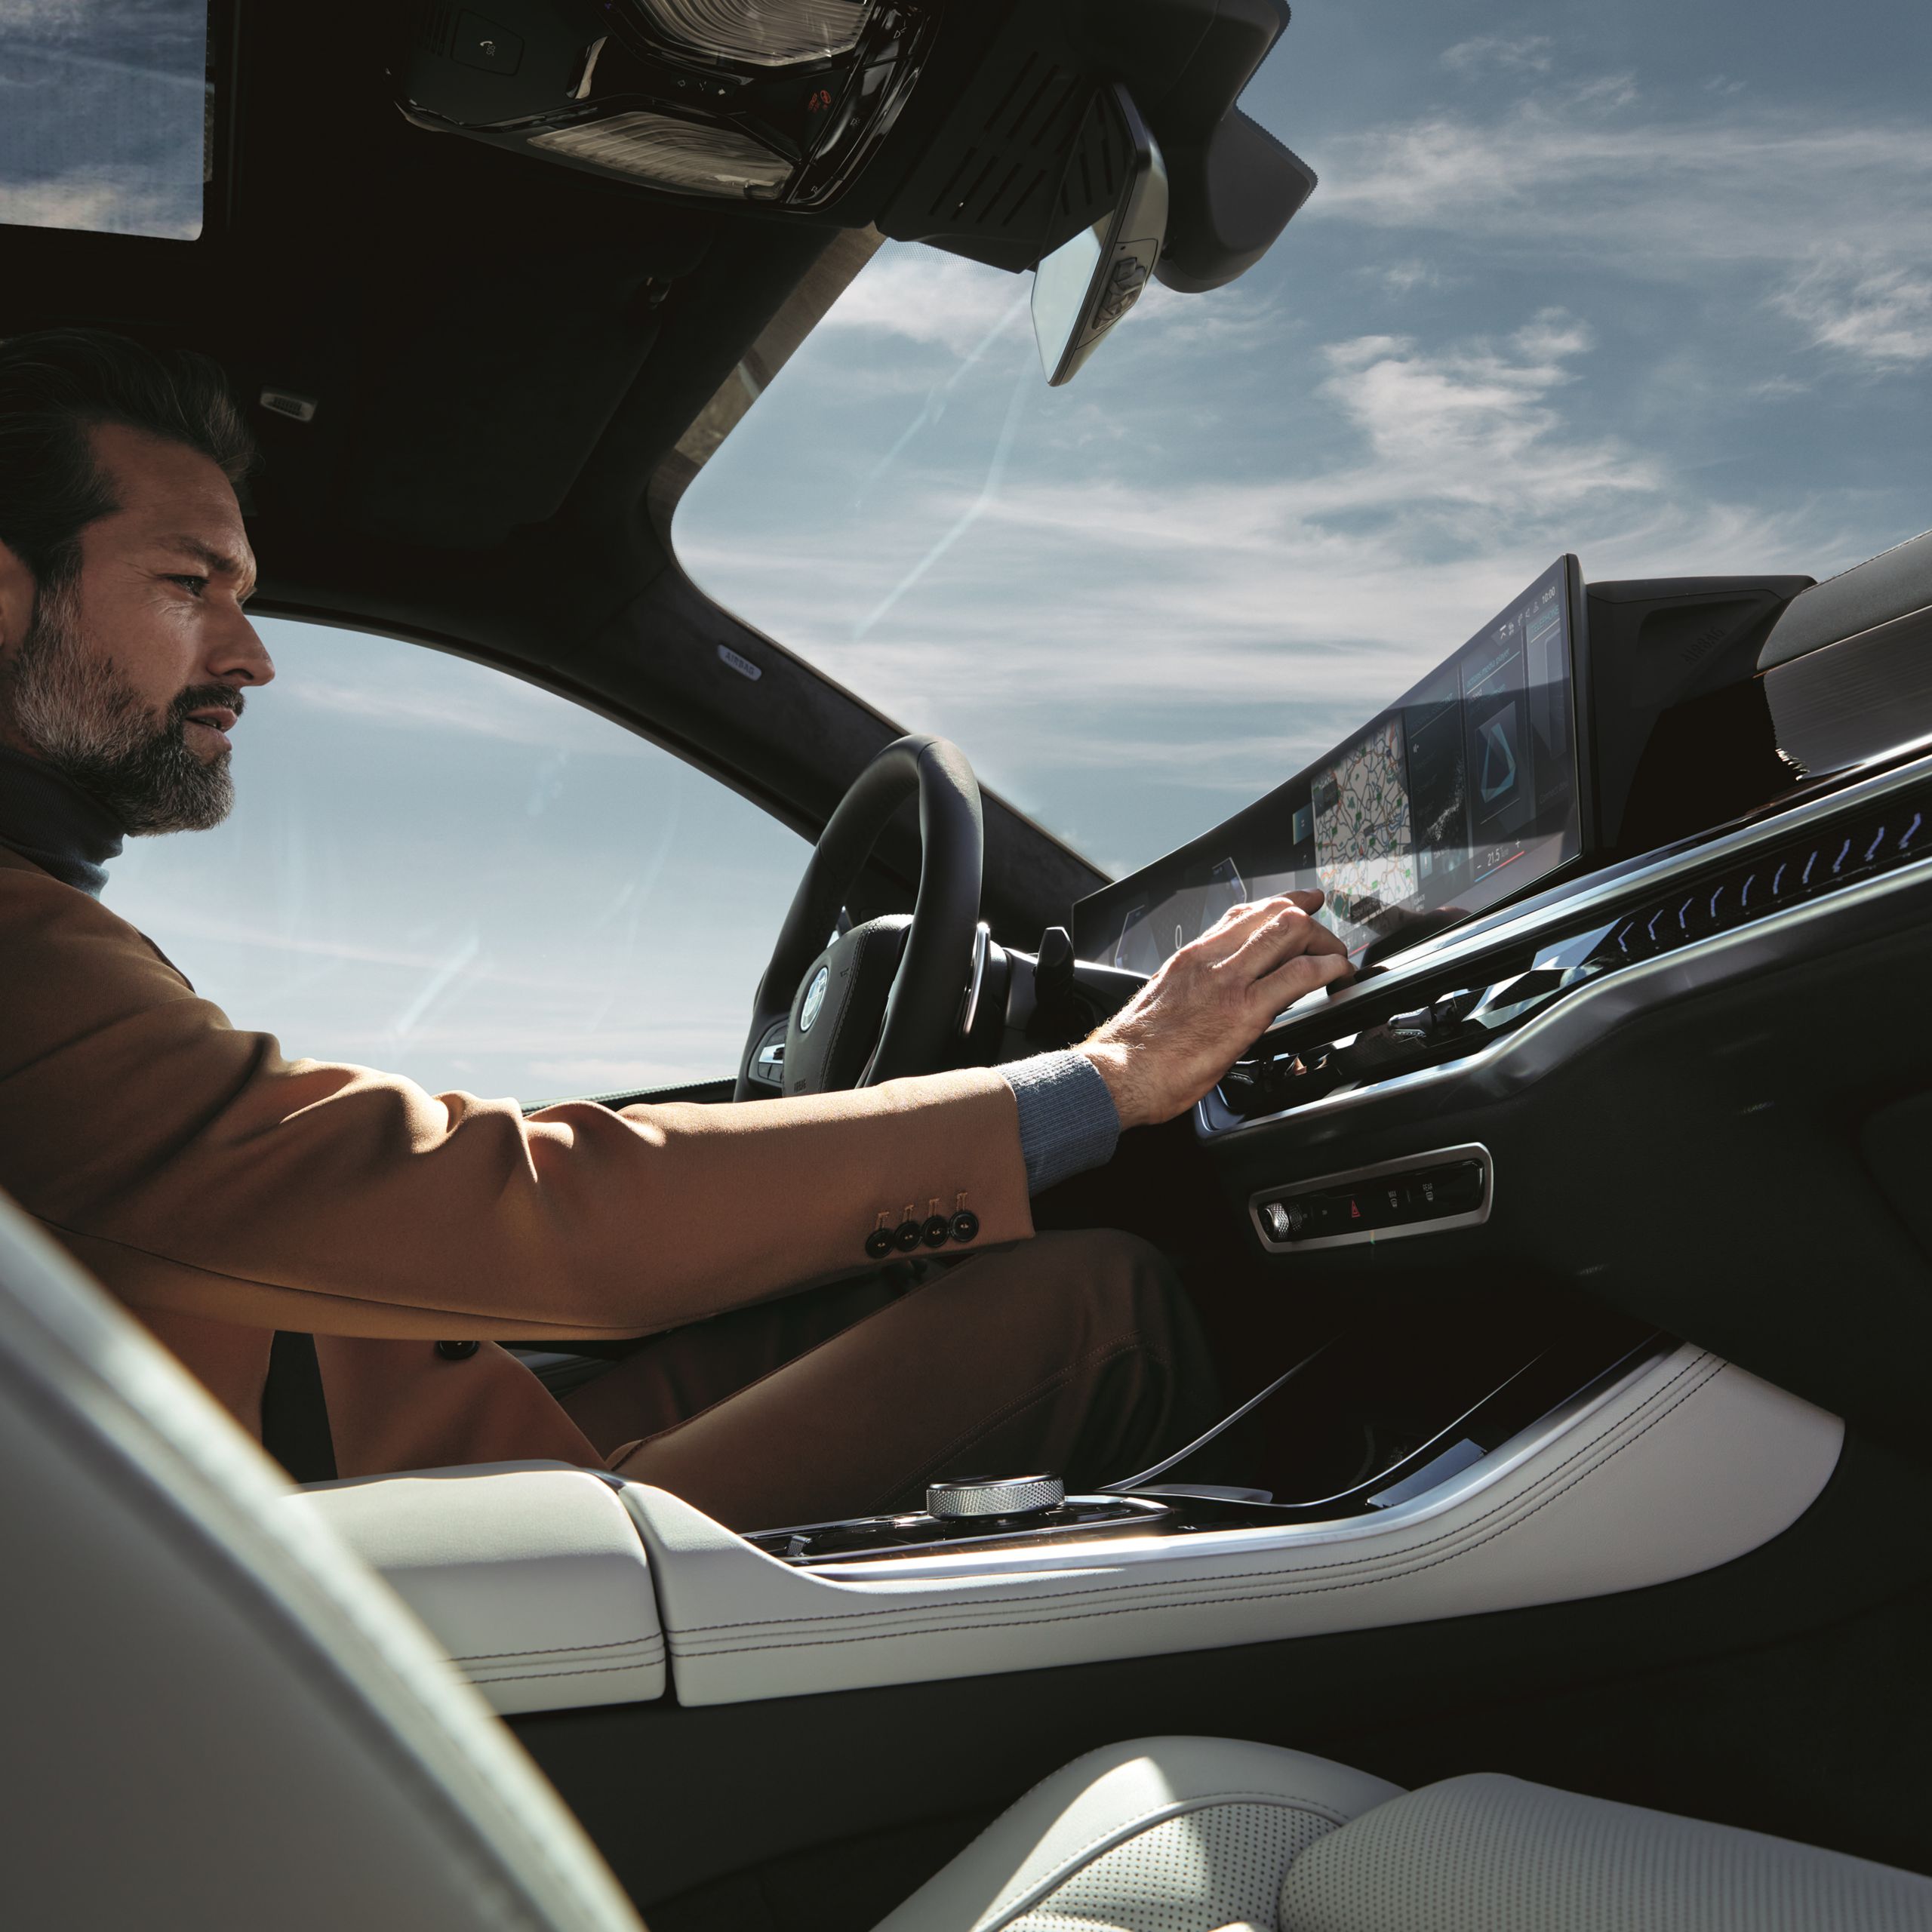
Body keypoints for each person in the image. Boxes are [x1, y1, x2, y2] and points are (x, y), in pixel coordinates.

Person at [0, 330, 1351, 1529]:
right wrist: (1102, 1082)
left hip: (402, 1476)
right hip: (367, 1581)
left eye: (243, 596)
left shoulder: (45, 924)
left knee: (917, 1285)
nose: (251, 655)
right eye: (189, 585)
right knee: (1100, 1308)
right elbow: (494, 1202)